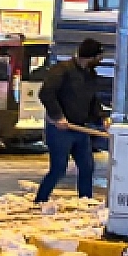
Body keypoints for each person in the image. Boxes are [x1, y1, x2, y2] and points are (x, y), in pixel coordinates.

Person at [35, 37, 109, 204]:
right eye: (98, 57)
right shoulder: (61, 71)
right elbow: (46, 93)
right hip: (60, 129)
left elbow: (92, 101)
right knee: (59, 169)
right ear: (90, 57)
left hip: (79, 129)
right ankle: (40, 200)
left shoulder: (90, 75)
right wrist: (57, 116)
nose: (100, 61)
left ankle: (86, 202)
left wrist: (102, 117)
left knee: (87, 166)